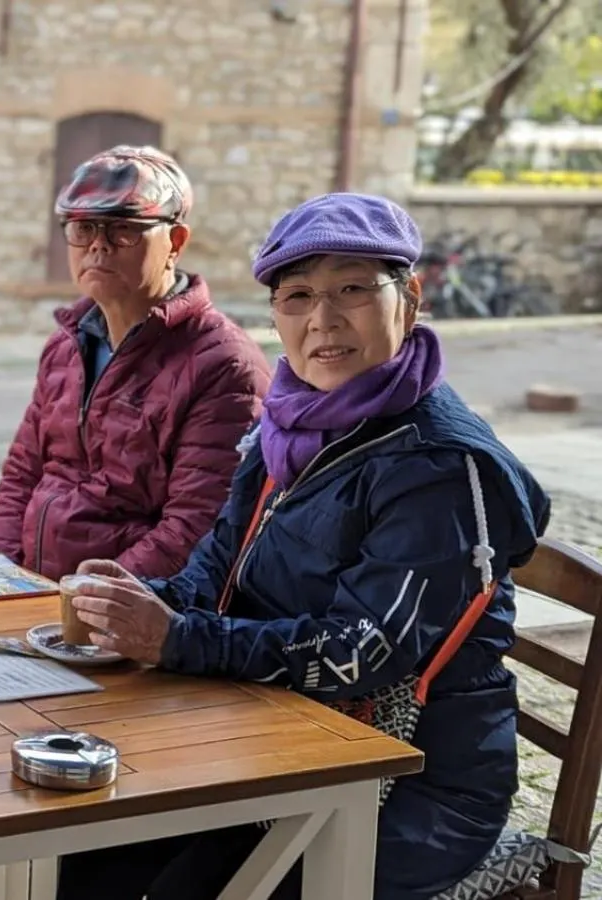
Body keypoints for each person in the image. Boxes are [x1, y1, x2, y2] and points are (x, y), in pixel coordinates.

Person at [58, 193, 550, 900]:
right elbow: (213, 569)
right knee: (74, 845)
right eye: (298, 296)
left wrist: (179, 639)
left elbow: (361, 653)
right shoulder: (288, 426)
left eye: (352, 288)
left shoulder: (438, 464)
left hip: (404, 779)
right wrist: (137, 606)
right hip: (274, 734)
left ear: (409, 296)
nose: (324, 320)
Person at [0, 145, 270, 582]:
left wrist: (82, 602)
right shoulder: (66, 346)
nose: (99, 245)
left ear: (175, 241)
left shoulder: (224, 365)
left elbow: (195, 525)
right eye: (84, 229)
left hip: (128, 611)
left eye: (123, 230)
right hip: (35, 592)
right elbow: (23, 474)